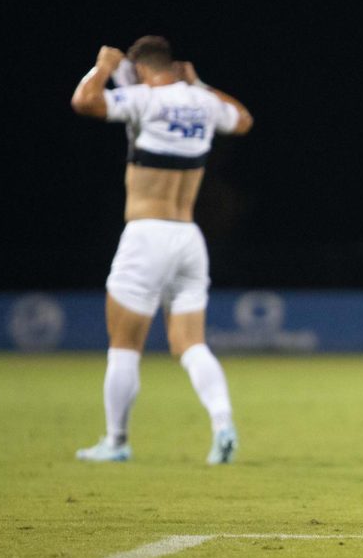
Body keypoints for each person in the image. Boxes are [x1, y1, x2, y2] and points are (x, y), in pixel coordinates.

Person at [70, 36, 253, 464]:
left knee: (124, 344)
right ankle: (222, 423)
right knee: (191, 344)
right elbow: (243, 120)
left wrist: (102, 67)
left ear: (141, 69)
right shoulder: (201, 101)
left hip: (146, 236)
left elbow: (84, 102)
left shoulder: (142, 99)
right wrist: (200, 82)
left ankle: (116, 442)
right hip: (189, 236)